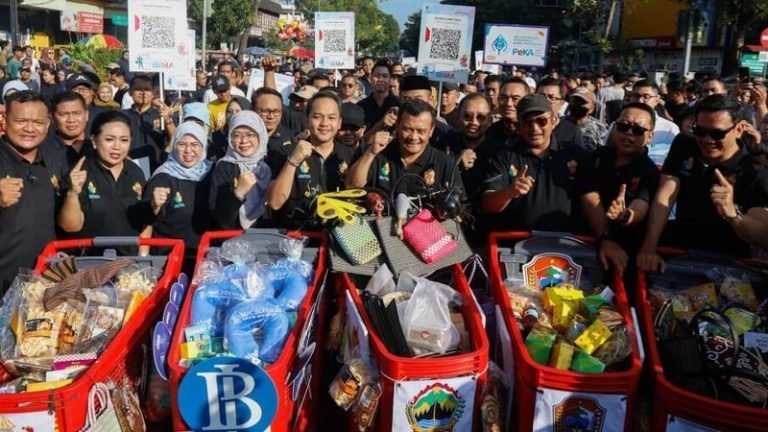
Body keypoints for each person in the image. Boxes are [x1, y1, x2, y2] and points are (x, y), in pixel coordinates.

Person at [481, 94, 622, 268]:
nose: (534, 128)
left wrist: (606, 239)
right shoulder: (504, 156)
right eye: (527, 122)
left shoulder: (576, 155)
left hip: (569, 251)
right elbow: (488, 203)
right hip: (517, 252)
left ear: (554, 121)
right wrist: (509, 192)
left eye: (541, 121)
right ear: (519, 126)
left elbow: (591, 200)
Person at [638, 95, 768, 272]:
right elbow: (665, 195)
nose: (707, 140)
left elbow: (763, 234)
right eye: (700, 131)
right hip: (680, 253)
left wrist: (733, 214)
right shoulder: (685, 144)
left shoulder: (754, 173)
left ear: (739, 129)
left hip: (729, 266)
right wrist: (649, 247)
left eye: (717, 134)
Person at [581, 102, 661, 275]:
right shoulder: (595, 158)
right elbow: (590, 198)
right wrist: (606, 238)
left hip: (627, 254)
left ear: (650, 136)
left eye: (638, 130)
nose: (629, 133)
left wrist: (625, 215)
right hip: (587, 246)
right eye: (623, 126)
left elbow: (641, 204)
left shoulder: (650, 171)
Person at [0, 90, 66, 292]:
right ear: (5, 120)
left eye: (38, 122)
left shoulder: (57, 159)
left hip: (43, 284)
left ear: (48, 124)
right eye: (20, 121)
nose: (29, 129)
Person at [57, 110, 148, 251]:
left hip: (129, 261)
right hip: (90, 259)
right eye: (109, 139)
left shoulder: (136, 172)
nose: (117, 146)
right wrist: (72, 193)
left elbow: (145, 221)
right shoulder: (79, 173)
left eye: (124, 140)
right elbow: (70, 226)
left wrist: (143, 257)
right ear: (94, 141)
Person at [267, 91, 355, 229]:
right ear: (306, 120)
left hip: (340, 235)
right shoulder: (286, 152)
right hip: (297, 236)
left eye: (331, 118)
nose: (324, 123)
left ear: (339, 123)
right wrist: (292, 162)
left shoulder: (350, 155)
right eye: (317, 117)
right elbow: (275, 202)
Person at [346, 99, 464, 198]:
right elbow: (351, 187)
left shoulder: (444, 163)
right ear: (397, 126)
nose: (413, 137)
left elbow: (459, 206)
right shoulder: (379, 153)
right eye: (407, 129)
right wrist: (370, 153)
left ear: (431, 131)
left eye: (421, 131)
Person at [144, 122, 213, 261]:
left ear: (203, 146)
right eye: (182, 144)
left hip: (206, 257)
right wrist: (155, 205)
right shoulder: (163, 176)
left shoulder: (212, 172)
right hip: (171, 258)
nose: (188, 150)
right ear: (174, 146)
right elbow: (147, 217)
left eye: (194, 144)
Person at [210, 111, 272, 229]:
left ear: (260, 136)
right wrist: (238, 193)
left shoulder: (266, 167)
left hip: (265, 234)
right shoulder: (224, 167)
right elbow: (220, 218)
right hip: (234, 236)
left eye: (250, 135)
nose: (243, 141)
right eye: (237, 135)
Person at [122, 75, 175, 171]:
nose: (143, 93)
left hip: (155, 167)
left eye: (147, 89)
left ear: (153, 93)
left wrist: (168, 120)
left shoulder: (161, 115)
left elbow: (175, 138)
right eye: (138, 89)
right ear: (130, 92)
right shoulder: (121, 115)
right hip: (126, 165)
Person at [630, 79, 680, 166]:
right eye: (636, 96)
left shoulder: (670, 129)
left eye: (646, 97)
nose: (640, 101)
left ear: (657, 100)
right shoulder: (619, 125)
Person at [44, 91, 93, 169]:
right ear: (52, 118)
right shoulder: (43, 151)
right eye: (64, 114)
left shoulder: (98, 147)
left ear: (86, 115)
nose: (71, 120)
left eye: (77, 113)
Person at [485, 78, 531, 151]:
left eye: (515, 98)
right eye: (504, 98)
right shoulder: (489, 133)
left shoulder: (533, 133)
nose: (508, 103)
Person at [538, 77, 583, 149]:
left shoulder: (572, 131)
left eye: (551, 97)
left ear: (561, 103)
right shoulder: (526, 127)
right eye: (540, 96)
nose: (545, 101)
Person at [252, 87, 296, 157]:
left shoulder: (293, 139)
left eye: (276, 111)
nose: (271, 117)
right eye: (265, 111)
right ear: (253, 110)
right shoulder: (242, 137)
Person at [563, 87, 607, 152]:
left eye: (583, 102)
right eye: (575, 101)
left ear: (592, 106)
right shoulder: (558, 123)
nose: (578, 104)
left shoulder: (599, 127)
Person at [357, 60, 398, 129]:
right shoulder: (361, 106)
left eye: (385, 76)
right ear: (371, 78)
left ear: (390, 79)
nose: (380, 79)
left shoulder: (398, 104)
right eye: (377, 76)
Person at [210, 95, 251, 160]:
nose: (233, 115)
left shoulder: (253, 137)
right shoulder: (217, 136)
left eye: (237, 111)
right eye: (229, 111)